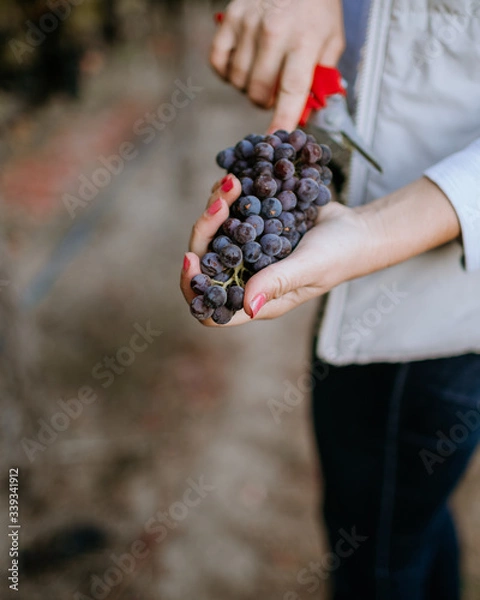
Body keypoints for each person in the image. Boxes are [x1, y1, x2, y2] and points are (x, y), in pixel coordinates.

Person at [180, 1, 480, 598]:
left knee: (377, 558)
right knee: (410, 522)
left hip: (424, 322)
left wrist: (372, 233)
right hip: (392, 297)